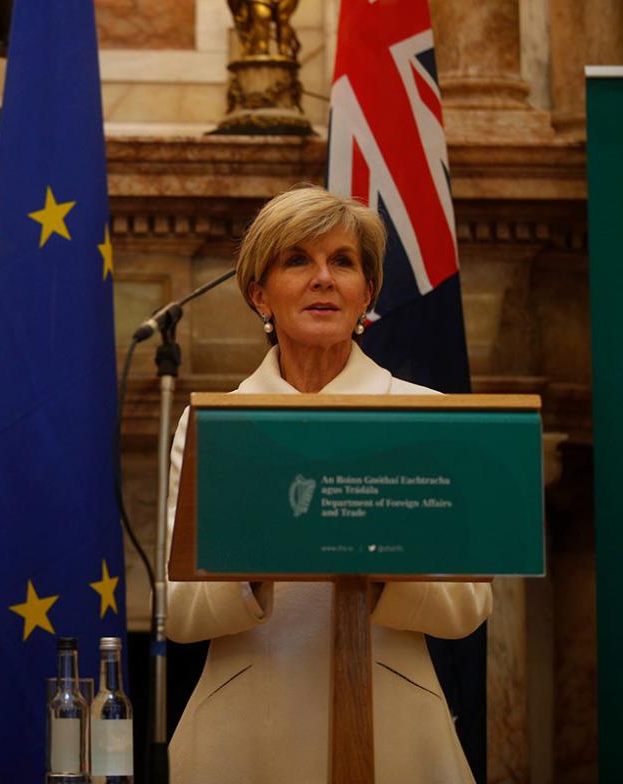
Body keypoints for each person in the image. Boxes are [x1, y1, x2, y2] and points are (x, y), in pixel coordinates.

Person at [164, 185, 492, 783]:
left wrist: (380, 543)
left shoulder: (426, 415)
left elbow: (466, 606)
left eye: (342, 261)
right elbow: (180, 612)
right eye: (298, 260)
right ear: (259, 295)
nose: (323, 278)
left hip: (394, 733)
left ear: (366, 293)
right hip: (241, 737)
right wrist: (264, 552)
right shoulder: (213, 422)